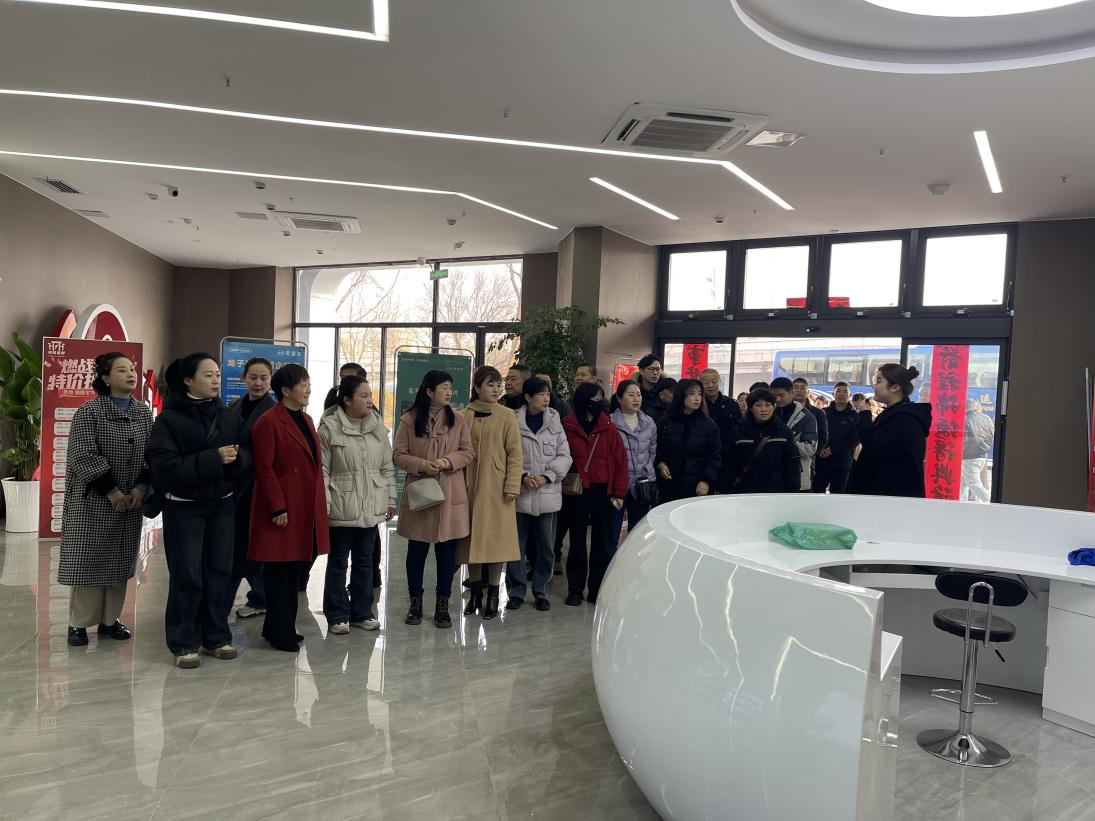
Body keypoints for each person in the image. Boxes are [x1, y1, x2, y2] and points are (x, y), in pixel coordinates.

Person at [147, 353, 252, 669]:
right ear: (188, 380)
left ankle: (216, 637)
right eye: (208, 375)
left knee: (220, 571)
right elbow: (165, 467)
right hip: (184, 508)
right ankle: (183, 642)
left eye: (217, 374)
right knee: (188, 575)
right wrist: (214, 459)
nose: (216, 380)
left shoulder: (229, 415)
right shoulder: (168, 420)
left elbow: (249, 453)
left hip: (222, 505)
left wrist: (237, 460)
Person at [60, 353, 153, 647]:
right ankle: (78, 623)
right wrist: (112, 491)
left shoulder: (143, 412)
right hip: (94, 499)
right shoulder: (89, 411)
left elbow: (153, 452)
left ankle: (110, 620)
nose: (131, 374)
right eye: (122, 370)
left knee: (119, 561)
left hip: (131, 501)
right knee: (88, 560)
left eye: (132, 369)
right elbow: (82, 454)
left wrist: (141, 486)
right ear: (105, 378)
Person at [248, 364, 330, 653]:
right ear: (285, 390)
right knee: (279, 574)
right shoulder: (269, 422)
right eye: (303, 384)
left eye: (308, 383)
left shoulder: (305, 419)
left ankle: (279, 628)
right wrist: (277, 507)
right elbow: (264, 468)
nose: (308, 389)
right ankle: (280, 632)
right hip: (281, 509)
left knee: (293, 572)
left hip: (303, 506)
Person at [393, 370, 474, 628]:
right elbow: (398, 455)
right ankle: (415, 603)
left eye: (450, 387)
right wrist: (422, 465)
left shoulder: (458, 419)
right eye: (444, 388)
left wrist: (447, 462)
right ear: (429, 391)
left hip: (449, 493)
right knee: (416, 550)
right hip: (421, 493)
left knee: (446, 552)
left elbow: (468, 452)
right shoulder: (409, 419)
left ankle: (443, 604)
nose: (449, 392)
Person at [319, 376, 396, 634]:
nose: (369, 400)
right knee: (338, 561)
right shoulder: (329, 428)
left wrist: (390, 499)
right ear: (347, 400)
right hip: (341, 504)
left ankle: (362, 612)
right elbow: (322, 470)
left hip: (371, 504)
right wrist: (325, 503)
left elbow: (387, 467)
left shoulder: (377, 428)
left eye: (370, 395)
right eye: (364, 395)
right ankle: (336, 614)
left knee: (365, 561)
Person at [457, 366, 523, 620]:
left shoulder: (507, 416)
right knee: (471, 540)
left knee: (497, 541)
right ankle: (475, 592)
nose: (496, 389)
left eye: (498, 385)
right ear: (476, 388)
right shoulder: (463, 416)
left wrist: (512, 485)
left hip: (497, 488)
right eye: (490, 385)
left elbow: (515, 454)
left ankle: (494, 594)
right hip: (468, 486)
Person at [507, 377, 572, 611]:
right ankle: (516, 591)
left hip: (547, 494)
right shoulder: (512, 421)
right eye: (541, 394)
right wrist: (523, 476)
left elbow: (565, 456)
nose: (546, 398)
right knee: (515, 547)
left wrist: (546, 476)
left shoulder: (555, 422)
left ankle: (542, 591)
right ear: (527, 397)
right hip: (519, 493)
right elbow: (506, 455)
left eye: (548, 394)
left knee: (546, 548)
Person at [562, 382, 628, 606]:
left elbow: (620, 463)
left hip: (603, 491)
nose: (599, 402)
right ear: (583, 400)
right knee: (576, 541)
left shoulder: (609, 428)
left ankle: (596, 589)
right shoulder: (568, 426)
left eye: (601, 397)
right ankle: (575, 589)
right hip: (577, 490)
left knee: (601, 541)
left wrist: (619, 492)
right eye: (594, 398)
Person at [227, 357, 277, 620]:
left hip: (258, 486)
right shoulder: (233, 406)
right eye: (253, 377)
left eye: (264, 378)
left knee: (255, 546)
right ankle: (254, 597)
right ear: (243, 378)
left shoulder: (274, 411)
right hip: (234, 486)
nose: (258, 383)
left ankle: (260, 597)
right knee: (237, 546)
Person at [851, 364, 933, 498]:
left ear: (895, 387)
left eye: (879, 381)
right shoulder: (894, 414)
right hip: (886, 495)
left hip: (893, 496)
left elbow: (872, 445)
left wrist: (865, 416)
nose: (874, 386)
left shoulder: (904, 418)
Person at [719, 388, 801, 494]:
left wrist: (793, 490)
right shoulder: (738, 431)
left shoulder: (783, 431)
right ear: (751, 408)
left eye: (768, 405)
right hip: (745, 491)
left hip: (776, 491)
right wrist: (726, 489)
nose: (763, 409)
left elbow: (792, 462)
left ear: (773, 406)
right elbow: (729, 463)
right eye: (758, 405)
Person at [608, 380, 658, 548]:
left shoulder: (649, 423)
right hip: (617, 485)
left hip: (641, 484)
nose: (636, 399)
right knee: (612, 532)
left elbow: (652, 452)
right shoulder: (610, 423)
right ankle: (612, 563)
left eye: (638, 395)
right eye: (631, 395)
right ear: (619, 398)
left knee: (638, 532)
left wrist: (647, 473)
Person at [654, 379, 722, 503]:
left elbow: (715, 456)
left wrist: (706, 480)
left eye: (700, 394)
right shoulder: (664, 423)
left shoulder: (709, 425)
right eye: (692, 393)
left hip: (698, 487)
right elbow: (655, 448)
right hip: (669, 486)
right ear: (681, 395)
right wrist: (660, 463)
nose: (697, 398)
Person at [769, 377, 818, 493]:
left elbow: (810, 448)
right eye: (774, 396)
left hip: (797, 476)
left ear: (791, 393)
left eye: (781, 395)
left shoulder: (807, 417)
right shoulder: (769, 413)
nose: (778, 399)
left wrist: (784, 443)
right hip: (771, 475)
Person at [814, 382, 860, 494]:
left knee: (838, 496)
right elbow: (816, 433)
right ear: (833, 394)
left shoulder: (855, 416)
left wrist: (832, 450)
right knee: (816, 494)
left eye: (845, 391)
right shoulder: (823, 413)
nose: (841, 394)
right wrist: (820, 448)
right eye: (838, 391)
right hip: (821, 462)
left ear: (850, 395)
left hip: (842, 464)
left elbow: (854, 439)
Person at [792, 377, 828, 480]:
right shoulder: (782, 410)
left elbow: (823, 437)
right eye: (796, 387)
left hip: (808, 460)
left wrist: (813, 453)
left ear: (808, 392)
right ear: (791, 391)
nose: (799, 390)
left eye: (802, 388)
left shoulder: (818, 413)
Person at [961, 399, 994, 503]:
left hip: (969, 457)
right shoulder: (985, 418)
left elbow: (963, 439)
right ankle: (960, 505)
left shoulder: (964, 420)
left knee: (973, 483)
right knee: (963, 483)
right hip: (981, 455)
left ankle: (989, 502)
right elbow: (991, 434)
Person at [699, 368, 743, 441]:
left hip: (727, 446)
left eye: (714, 382)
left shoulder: (732, 404)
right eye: (706, 383)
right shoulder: (698, 405)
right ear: (701, 384)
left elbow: (739, 428)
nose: (710, 385)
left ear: (719, 382)